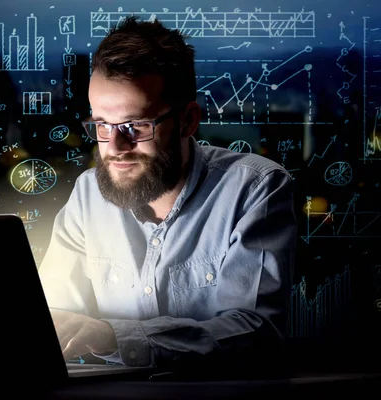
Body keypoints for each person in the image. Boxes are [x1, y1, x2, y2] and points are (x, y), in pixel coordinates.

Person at [37, 16, 297, 369]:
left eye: (136, 125)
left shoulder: (254, 189)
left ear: (188, 121)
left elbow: (255, 332)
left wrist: (112, 337)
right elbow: (55, 315)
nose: (115, 146)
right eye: (102, 125)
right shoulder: (87, 196)